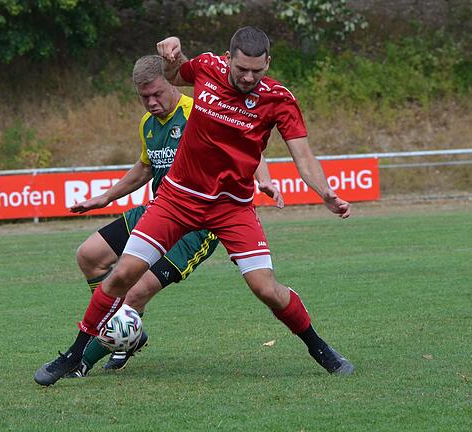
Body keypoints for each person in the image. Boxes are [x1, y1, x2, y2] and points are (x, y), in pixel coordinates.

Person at [35, 27, 354, 387]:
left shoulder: (279, 99)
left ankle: (320, 349)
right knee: (123, 274)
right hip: (177, 199)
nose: (248, 77)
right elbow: (175, 75)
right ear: (228, 57)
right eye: (241, 69)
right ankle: (74, 355)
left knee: (265, 288)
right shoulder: (207, 68)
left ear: (268, 63)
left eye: (257, 71)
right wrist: (172, 56)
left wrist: (325, 192)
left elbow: (303, 156)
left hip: (231, 208)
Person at [66, 54, 284, 377]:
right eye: (144, 97)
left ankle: (85, 358)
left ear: (171, 82)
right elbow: (144, 167)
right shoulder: (148, 124)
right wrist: (105, 197)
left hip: (198, 225)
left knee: (136, 292)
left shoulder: (200, 110)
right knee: (89, 255)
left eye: (157, 93)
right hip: (160, 210)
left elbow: (249, 145)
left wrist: (263, 178)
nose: (151, 102)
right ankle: (126, 330)